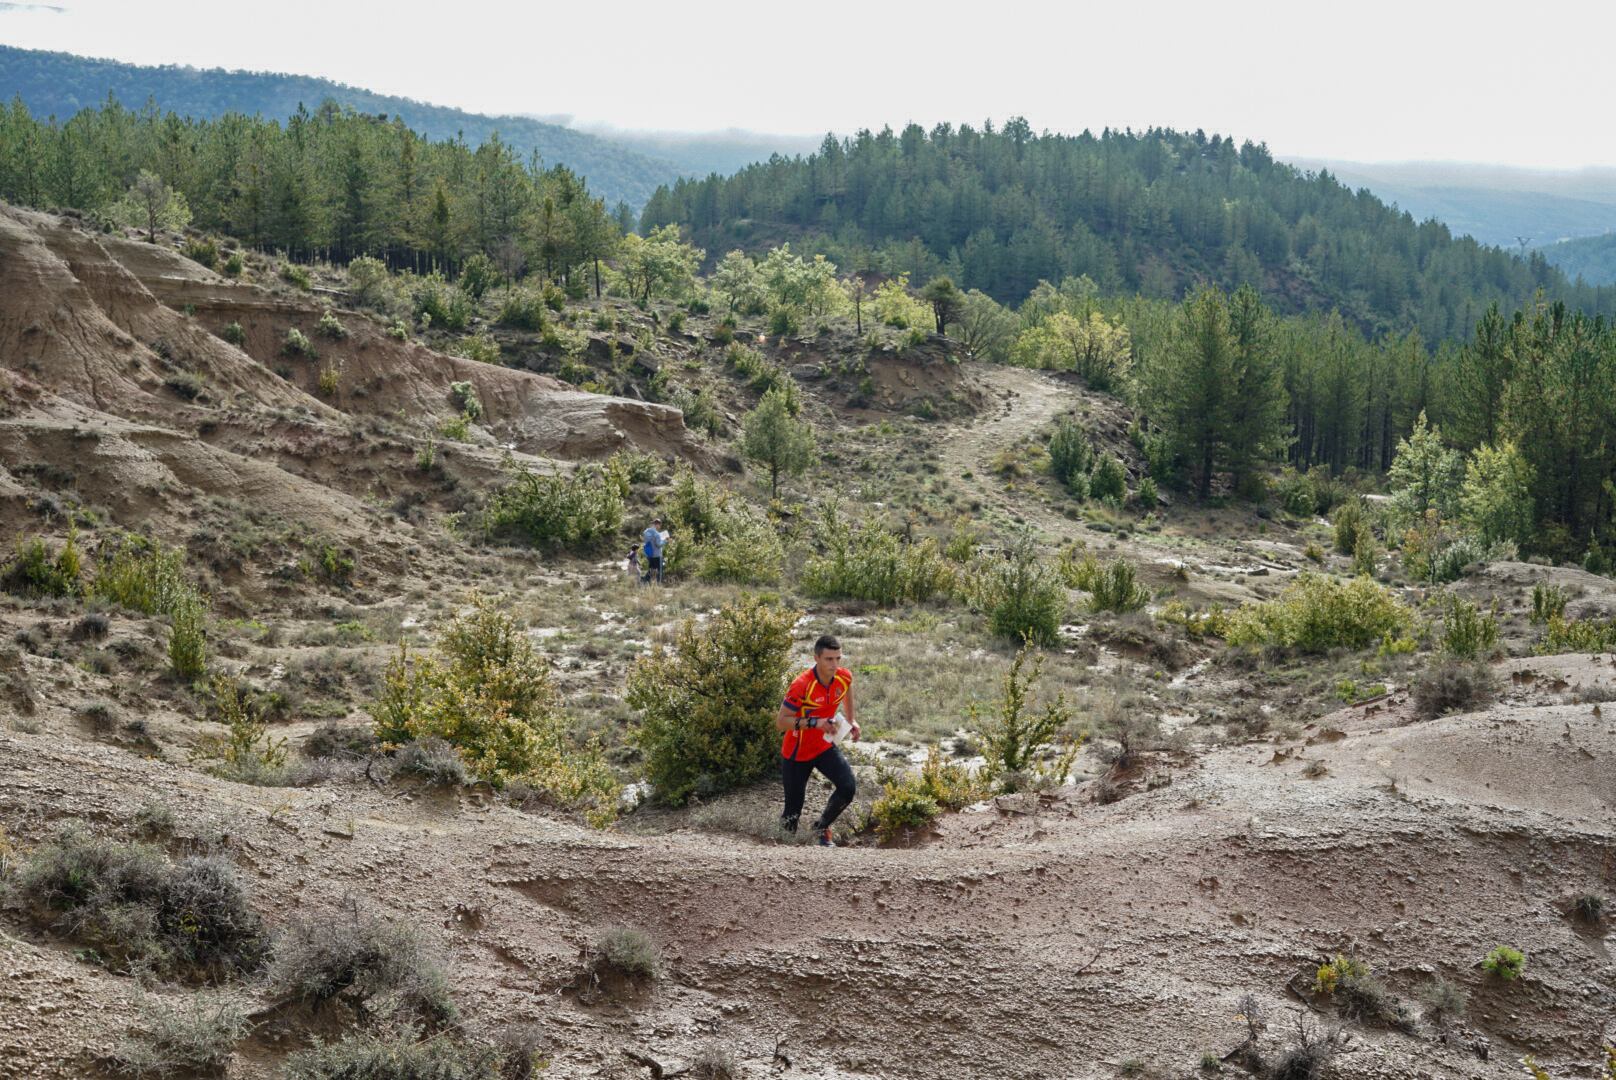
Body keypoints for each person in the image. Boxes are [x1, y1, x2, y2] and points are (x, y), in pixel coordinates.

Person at [775, 634, 859, 846]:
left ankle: (820, 829)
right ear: (816, 658)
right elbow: (781, 722)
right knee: (792, 814)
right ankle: (781, 854)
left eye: (838, 658)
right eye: (829, 659)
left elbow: (847, 692)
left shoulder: (843, 676)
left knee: (848, 787)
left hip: (823, 747)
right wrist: (815, 723)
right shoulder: (802, 684)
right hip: (797, 752)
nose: (835, 664)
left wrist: (852, 721)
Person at [641, 518, 666, 585]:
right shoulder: (657, 534)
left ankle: (645, 581)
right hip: (657, 555)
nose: (660, 527)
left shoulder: (646, 532)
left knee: (651, 569)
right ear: (657, 524)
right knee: (659, 570)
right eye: (660, 525)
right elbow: (658, 544)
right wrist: (665, 541)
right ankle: (659, 583)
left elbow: (646, 540)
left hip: (649, 554)